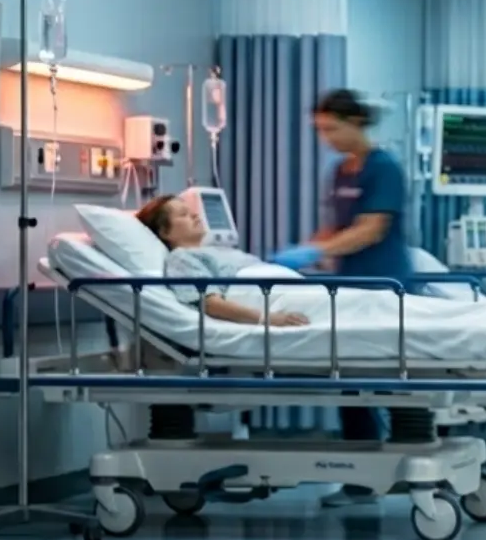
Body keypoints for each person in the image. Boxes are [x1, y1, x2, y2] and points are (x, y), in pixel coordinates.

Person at [269, 88, 415, 505]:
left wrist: (318, 251)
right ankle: (362, 478)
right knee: (350, 381)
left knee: (393, 380)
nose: (326, 138)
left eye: (332, 128)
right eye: (320, 130)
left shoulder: (383, 168)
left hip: (385, 284)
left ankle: (408, 463)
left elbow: (372, 229)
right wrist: (299, 254)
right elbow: (335, 228)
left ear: (356, 122)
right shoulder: (339, 172)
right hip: (348, 288)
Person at [135, 194, 311, 328]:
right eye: (184, 214)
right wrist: (269, 319)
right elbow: (211, 304)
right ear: (165, 232)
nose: (196, 215)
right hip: (270, 297)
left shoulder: (217, 251)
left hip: (290, 289)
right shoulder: (181, 258)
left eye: (191, 211)